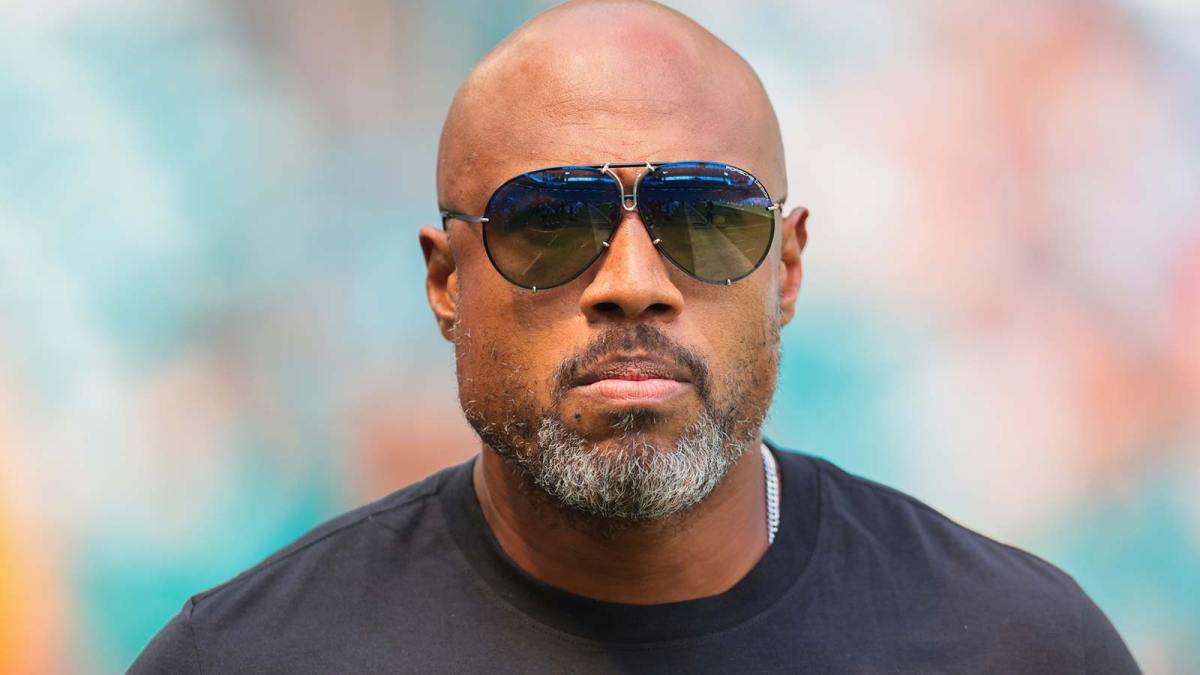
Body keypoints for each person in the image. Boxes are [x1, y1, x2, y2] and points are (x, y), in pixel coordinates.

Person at [130, 1, 1141, 672]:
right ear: (446, 282)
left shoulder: (1017, 648)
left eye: (707, 217)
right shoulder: (253, 658)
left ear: (786, 271)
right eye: (551, 223)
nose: (632, 284)